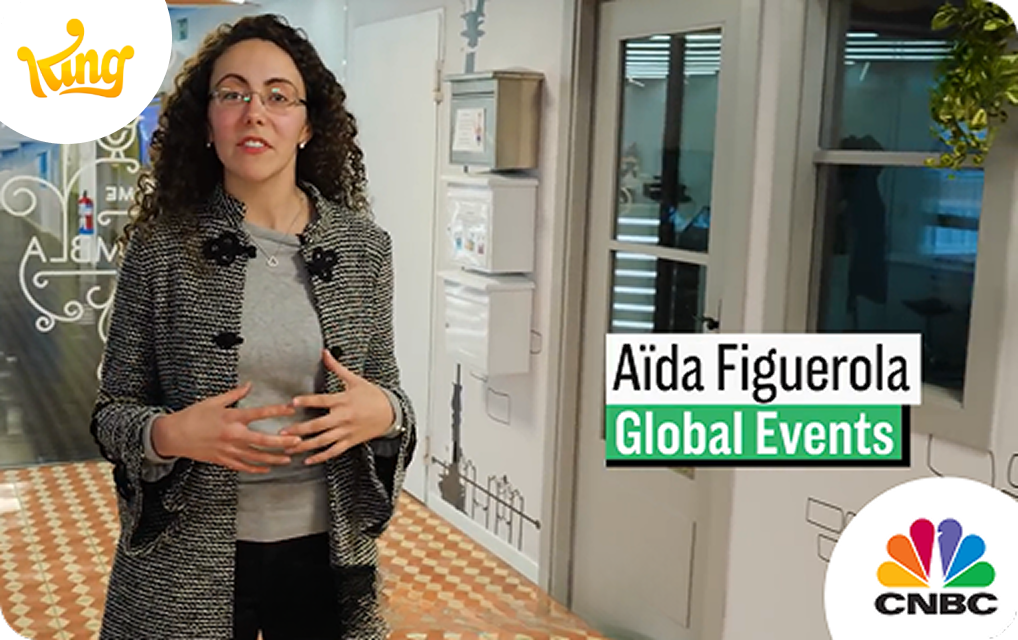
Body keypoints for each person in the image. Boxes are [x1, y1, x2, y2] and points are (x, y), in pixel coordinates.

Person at [90, 13, 416, 640]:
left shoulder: (364, 248)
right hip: (186, 559)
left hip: (327, 560)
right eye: (233, 94)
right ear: (206, 121)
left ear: (308, 124)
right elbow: (112, 414)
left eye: (278, 96)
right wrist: (169, 433)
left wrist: (386, 413)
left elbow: (387, 393)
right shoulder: (161, 250)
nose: (254, 114)